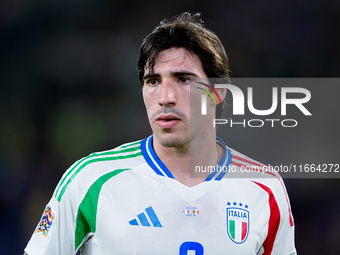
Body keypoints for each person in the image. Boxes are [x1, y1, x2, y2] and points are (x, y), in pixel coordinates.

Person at [24, 12, 297, 255]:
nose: (165, 97)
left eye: (183, 79)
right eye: (153, 81)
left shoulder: (265, 189)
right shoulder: (91, 180)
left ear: (218, 93)